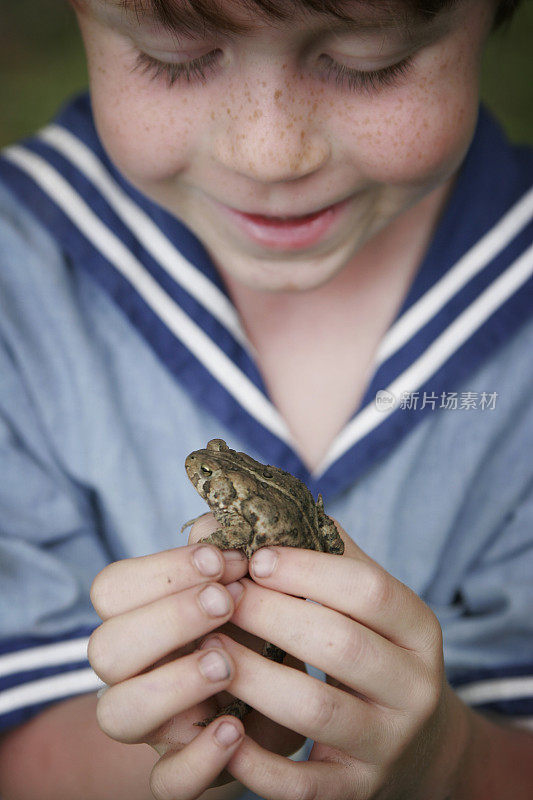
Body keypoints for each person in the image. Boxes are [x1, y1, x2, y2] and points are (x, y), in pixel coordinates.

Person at [0, 0, 532, 797]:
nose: (269, 153)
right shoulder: (21, 279)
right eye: (173, 56)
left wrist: (445, 763)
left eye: (368, 61)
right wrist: (169, 731)